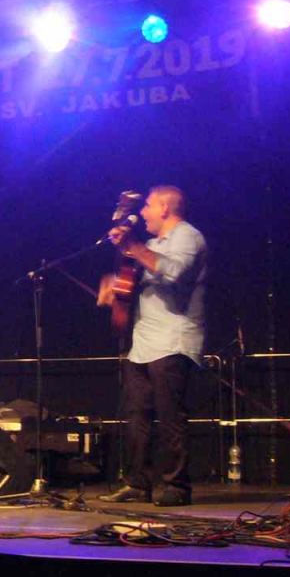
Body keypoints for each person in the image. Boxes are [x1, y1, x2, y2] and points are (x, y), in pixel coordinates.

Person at [96, 185, 207, 507]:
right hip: (144, 342)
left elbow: (173, 272)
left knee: (170, 416)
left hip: (173, 339)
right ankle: (138, 483)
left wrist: (132, 245)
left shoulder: (188, 236)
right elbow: (139, 283)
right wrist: (114, 287)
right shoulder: (152, 244)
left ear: (165, 208)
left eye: (147, 206)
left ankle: (177, 486)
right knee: (137, 415)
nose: (142, 213)